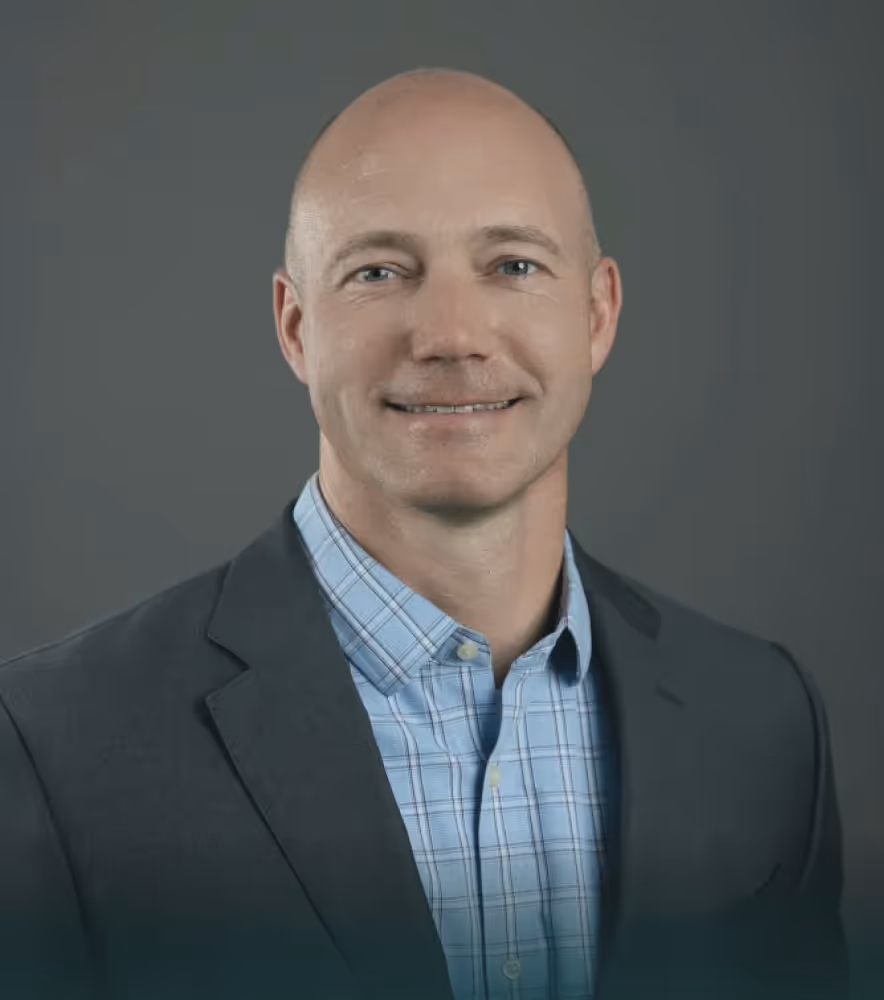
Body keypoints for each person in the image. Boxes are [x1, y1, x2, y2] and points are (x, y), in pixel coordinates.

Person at [0, 67, 847, 1000]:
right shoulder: (53, 746)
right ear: (294, 326)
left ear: (597, 314)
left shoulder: (764, 724)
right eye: (379, 272)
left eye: (513, 265)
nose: (451, 334)